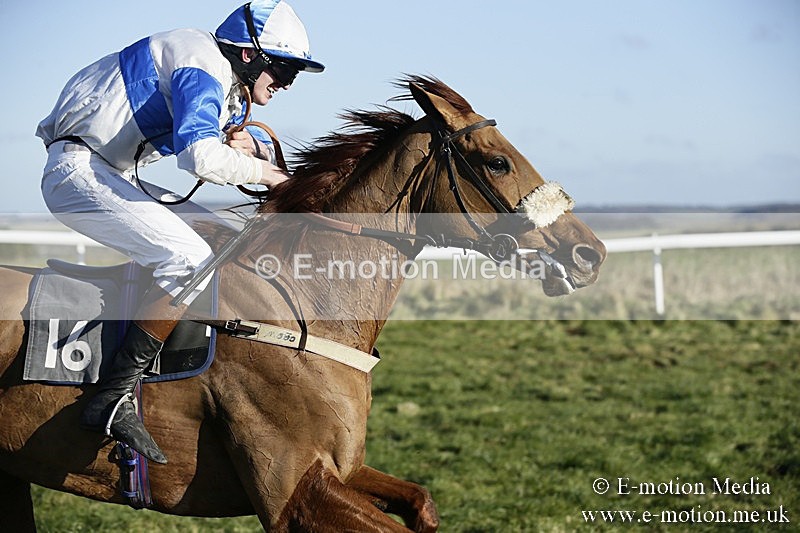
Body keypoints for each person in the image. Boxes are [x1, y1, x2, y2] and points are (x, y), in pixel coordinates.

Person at [35, 0, 324, 464]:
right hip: (80, 173)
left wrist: (254, 147)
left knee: (223, 235)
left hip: (110, 172)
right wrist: (271, 176)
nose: (287, 84)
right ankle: (113, 395)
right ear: (250, 55)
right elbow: (200, 159)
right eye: (285, 70)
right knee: (188, 257)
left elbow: (228, 142)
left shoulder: (219, 78)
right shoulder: (200, 59)